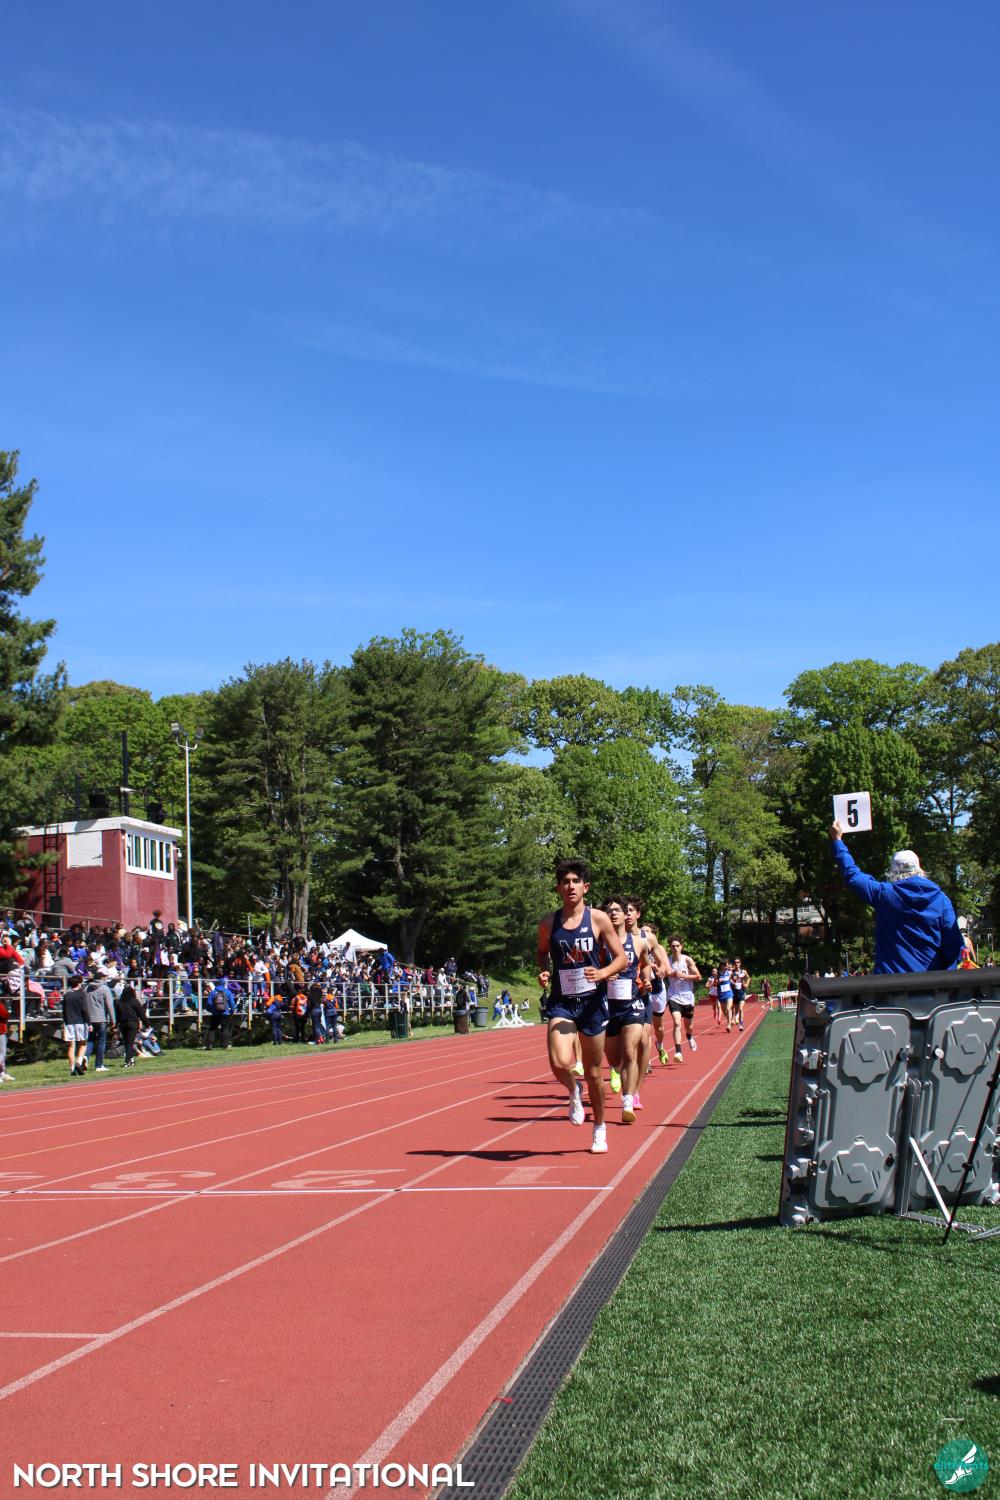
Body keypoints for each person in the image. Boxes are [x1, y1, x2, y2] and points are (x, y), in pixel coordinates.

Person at [537, 859, 627, 1155]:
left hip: (592, 1004)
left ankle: (599, 1128)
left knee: (593, 1072)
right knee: (559, 1061)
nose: (571, 886)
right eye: (565, 882)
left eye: (576, 881)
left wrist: (602, 973)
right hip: (562, 1002)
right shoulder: (548, 923)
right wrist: (544, 970)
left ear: (585, 887)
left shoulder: (598, 919)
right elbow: (541, 952)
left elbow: (621, 958)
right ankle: (573, 1089)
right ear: (558, 888)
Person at [829, 822, 963, 974]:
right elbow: (954, 946)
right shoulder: (941, 900)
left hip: (890, 983)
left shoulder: (884, 894)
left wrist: (837, 840)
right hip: (931, 982)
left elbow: (852, 876)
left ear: (892, 872)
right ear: (920, 869)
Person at [601, 899, 653, 1124]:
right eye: (609, 910)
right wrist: (605, 973)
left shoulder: (639, 943)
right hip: (607, 1006)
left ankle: (628, 1102)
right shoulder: (600, 942)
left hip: (632, 1003)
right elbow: (589, 968)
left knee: (630, 1051)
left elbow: (646, 964)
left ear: (625, 915)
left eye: (617, 910)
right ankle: (618, 1071)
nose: (613, 914)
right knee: (615, 1059)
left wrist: (646, 979)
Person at [666, 936, 702, 1059]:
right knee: (677, 1023)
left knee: (689, 1026)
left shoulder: (687, 960)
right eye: (673, 946)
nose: (675, 948)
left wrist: (682, 976)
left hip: (687, 997)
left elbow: (698, 977)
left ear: (681, 947)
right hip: (674, 996)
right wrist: (669, 973)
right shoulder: (667, 960)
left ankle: (689, 1037)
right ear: (670, 947)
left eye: (677, 946)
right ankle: (678, 1052)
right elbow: (663, 971)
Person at [117, 983, 150, 1068]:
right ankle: (127, 1061)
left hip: (123, 1024)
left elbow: (117, 1015)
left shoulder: (119, 1002)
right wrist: (147, 1024)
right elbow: (141, 1014)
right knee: (130, 1043)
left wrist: (116, 1024)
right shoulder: (134, 1001)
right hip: (132, 1023)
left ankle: (131, 1060)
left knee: (127, 1042)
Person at [63, 975, 90, 1075]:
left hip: (69, 1022)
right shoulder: (82, 994)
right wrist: (89, 1023)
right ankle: (79, 1062)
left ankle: (72, 1068)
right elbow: (85, 1009)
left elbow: (64, 1011)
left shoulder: (66, 995)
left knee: (71, 1046)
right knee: (83, 1043)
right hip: (80, 1021)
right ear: (79, 983)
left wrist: (65, 1023)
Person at [731, 957, 750, 1033]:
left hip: (742, 992)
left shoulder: (743, 971)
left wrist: (746, 984)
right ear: (734, 964)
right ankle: (736, 1017)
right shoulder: (731, 972)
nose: (736, 964)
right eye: (735, 962)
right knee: (736, 1010)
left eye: (738, 962)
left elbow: (748, 978)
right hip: (734, 993)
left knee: (741, 1008)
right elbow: (729, 979)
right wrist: (733, 983)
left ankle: (741, 1025)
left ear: (740, 963)